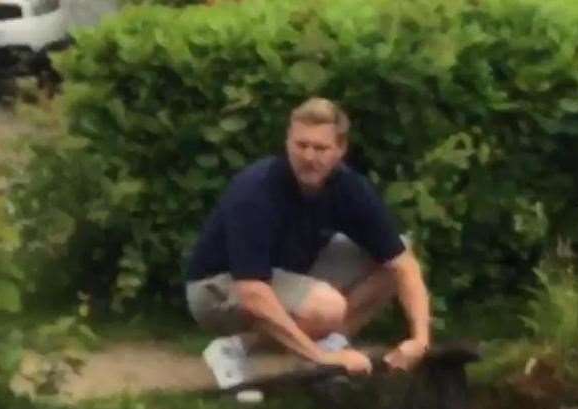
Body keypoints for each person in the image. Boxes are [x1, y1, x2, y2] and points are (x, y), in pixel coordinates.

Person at [184, 97, 432, 389]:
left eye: (320, 148)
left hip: (284, 274)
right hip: (217, 288)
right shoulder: (256, 191)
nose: (309, 157)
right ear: (288, 142)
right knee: (326, 307)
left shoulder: (348, 187)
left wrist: (420, 340)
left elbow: (403, 264)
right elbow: (251, 290)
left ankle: (332, 342)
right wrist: (320, 358)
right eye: (301, 145)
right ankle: (235, 349)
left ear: (340, 150)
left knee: (397, 255)